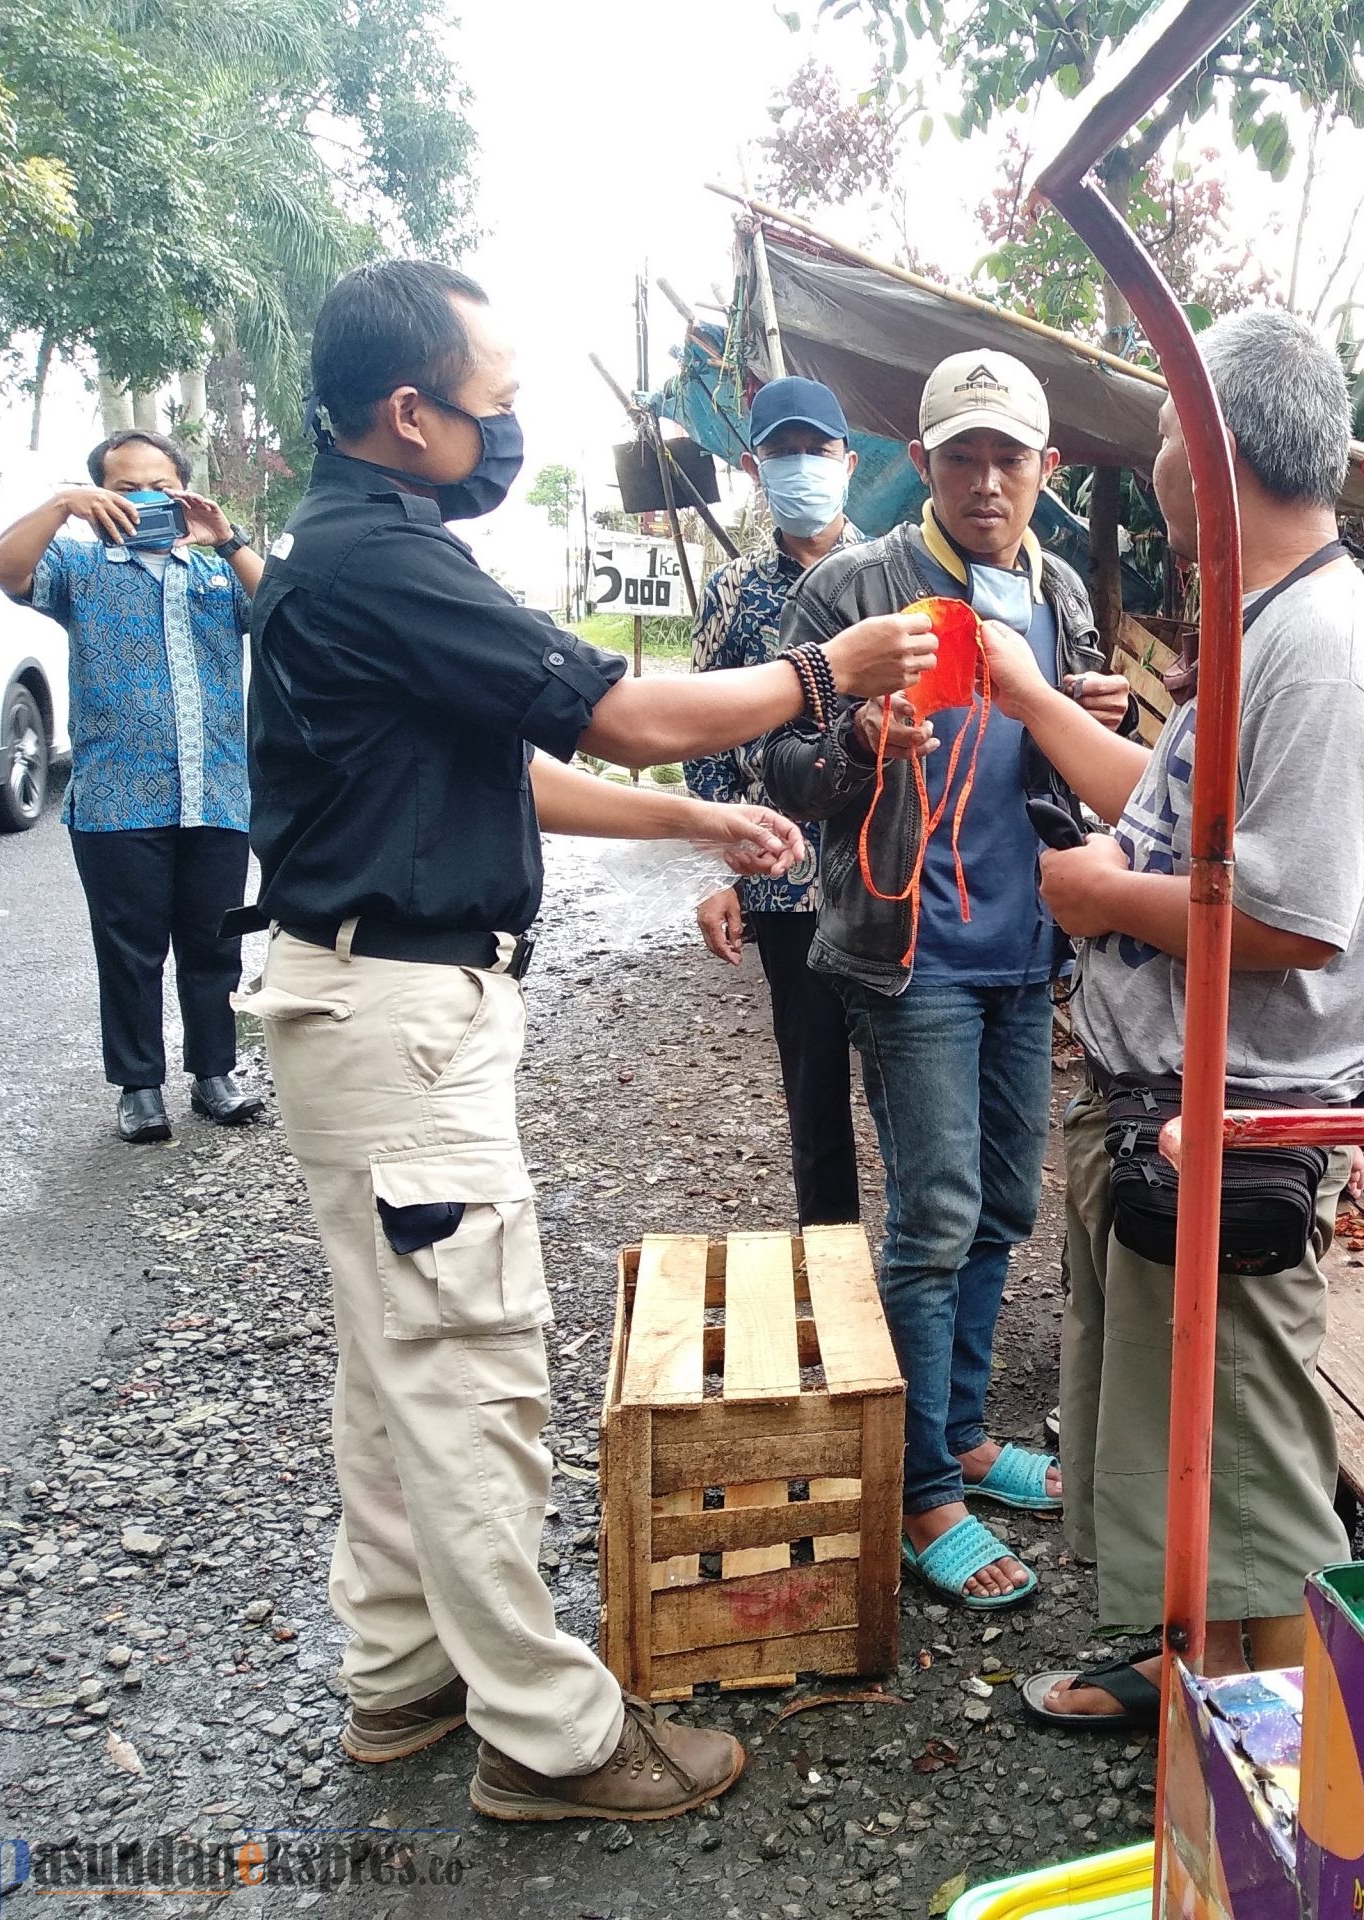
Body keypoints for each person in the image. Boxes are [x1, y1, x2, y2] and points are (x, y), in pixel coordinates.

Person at [235, 259, 939, 1825]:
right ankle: (549, 1739)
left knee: (395, 1359)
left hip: (366, 1003)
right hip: (400, 1018)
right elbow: (614, 710)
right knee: (474, 1368)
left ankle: (400, 1670)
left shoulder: (365, 554)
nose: (508, 432)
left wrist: (692, 822)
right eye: (492, 403)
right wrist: (831, 671)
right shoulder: (383, 565)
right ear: (407, 413)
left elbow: (513, 772)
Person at [995, 307, 1364, 1729]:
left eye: (1169, 432)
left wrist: (1101, 901)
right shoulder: (1265, 625)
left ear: (1208, 449)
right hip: (1163, 1107)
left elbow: (1294, 913)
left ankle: (1274, 1756)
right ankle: (1192, 1671)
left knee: (1242, 1452)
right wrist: (1036, 715)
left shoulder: (1319, 650)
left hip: (1231, 1120)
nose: (1161, 462)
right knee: (1177, 1431)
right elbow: (1173, 815)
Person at [752, 349, 1134, 1610]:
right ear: (918, 464)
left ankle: (965, 1433)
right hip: (907, 946)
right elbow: (781, 769)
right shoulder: (859, 587)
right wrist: (859, 738)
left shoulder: (1060, 592)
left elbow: (1075, 770)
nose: (985, 481)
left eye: (1007, 458)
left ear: (1047, 470)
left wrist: (1103, 722)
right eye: (960, 456)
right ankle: (922, 1494)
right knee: (932, 1216)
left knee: (1001, 1211)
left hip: (1027, 947)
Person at [0, 430, 267, 1142]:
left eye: (160, 486)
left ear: (183, 489)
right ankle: (139, 1088)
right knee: (130, 950)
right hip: (116, 798)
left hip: (217, 792)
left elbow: (284, 610)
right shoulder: (77, 566)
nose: (144, 500)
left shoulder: (215, 573)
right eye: (125, 486)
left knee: (213, 944)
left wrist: (226, 536)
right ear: (101, 493)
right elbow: (1, 570)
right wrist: (59, 507)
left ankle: (214, 1075)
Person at [685, 374, 868, 1226]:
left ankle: (917, 1276)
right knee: (816, 1089)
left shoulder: (889, 575)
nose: (802, 467)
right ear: (756, 468)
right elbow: (702, 727)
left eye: (816, 450)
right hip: (788, 881)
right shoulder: (732, 593)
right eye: (783, 453)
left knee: (917, 1087)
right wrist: (727, 855)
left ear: (848, 460)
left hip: (887, 877)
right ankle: (833, 1263)